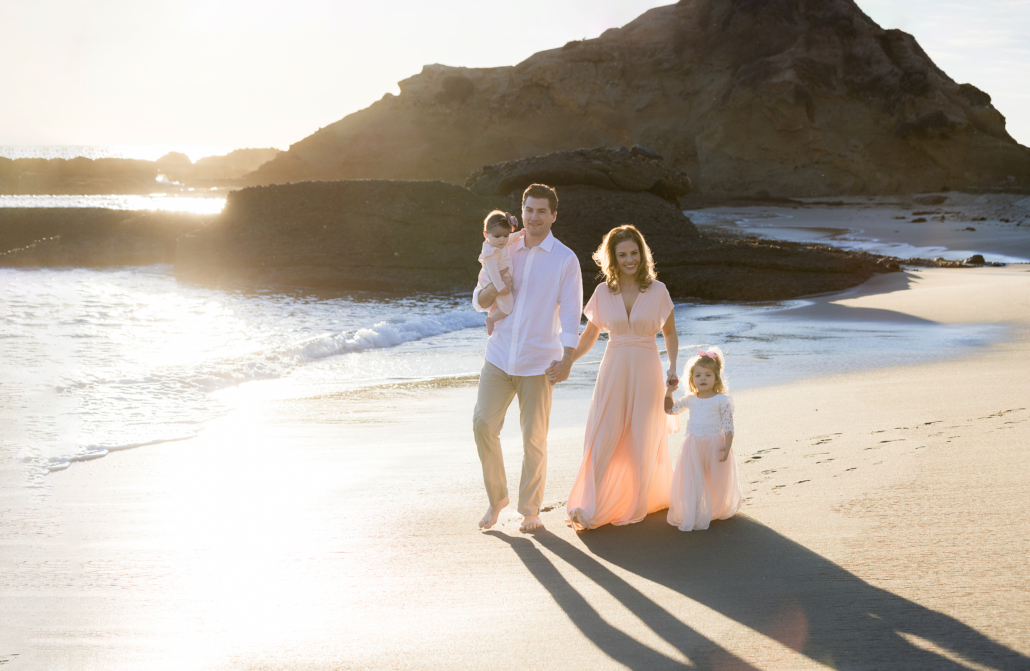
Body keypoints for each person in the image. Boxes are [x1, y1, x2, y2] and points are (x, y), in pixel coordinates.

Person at [472, 183, 583, 532]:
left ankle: (530, 510)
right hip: (499, 356)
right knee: (482, 425)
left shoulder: (565, 259)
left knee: (533, 438)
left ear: (553, 215)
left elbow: (570, 314)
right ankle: (497, 499)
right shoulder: (503, 247)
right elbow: (479, 298)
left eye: (541, 211)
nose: (534, 217)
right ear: (521, 213)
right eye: (529, 210)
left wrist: (568, 358)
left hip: (539, 362)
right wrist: (494, 289)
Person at [566, 225, 679, 531]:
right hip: (613, 369)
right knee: (603, 434)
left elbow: (669, 333)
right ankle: (591, 502)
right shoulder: (604, 292)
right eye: (622, 255)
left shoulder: (658, 290)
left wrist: (673, 368)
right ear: (612, 258)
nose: (630, 260)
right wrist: (567, 360)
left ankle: (636, 502)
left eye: (634, 253)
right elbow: (590, 335)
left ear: (642, 254)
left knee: (643, 437)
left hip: (647, 369)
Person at [664, 346, 742, 531]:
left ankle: (714, 508)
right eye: (698, 375)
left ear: (716, 378)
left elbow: (729, 425)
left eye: (707, 375)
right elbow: (669, 410)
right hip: (693, 446)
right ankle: (697, 509)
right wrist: (669, 392)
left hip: (715, 444)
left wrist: (727, 445)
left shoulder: (722, 400)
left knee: (715, 479)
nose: (703, 379)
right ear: (692, 380)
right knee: (693, 479)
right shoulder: (690, 399)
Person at [478, 211, 521, 335]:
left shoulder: (499, 244)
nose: (502, 240)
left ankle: (492, 316)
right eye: (497, 236)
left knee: (500, 304)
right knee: (508, 308)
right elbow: (493, 273)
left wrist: (519, 234)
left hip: (500, 281)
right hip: (498, 282)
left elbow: (510, 240)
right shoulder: (491, 253)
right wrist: (500, 287)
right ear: (486, 234)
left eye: (505, 236)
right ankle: (490, 320)